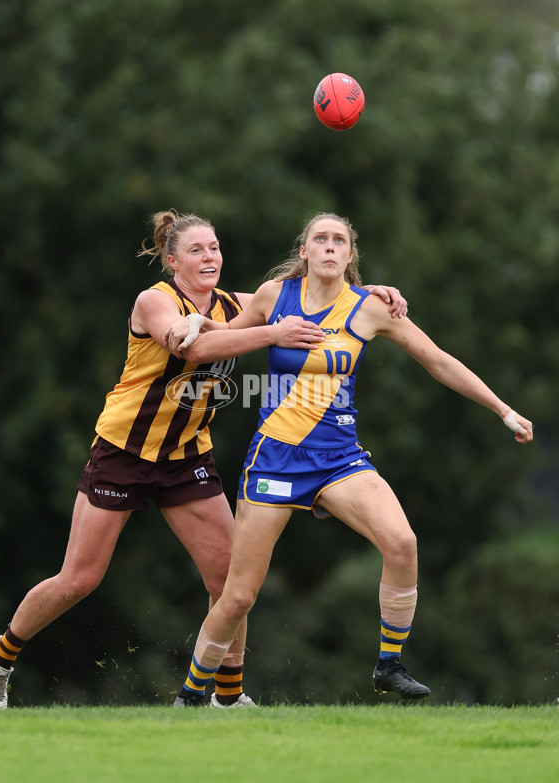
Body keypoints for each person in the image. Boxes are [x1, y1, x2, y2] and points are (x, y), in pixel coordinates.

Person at [0, 210, 407, 710]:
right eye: (198, 250)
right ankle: (0, 657)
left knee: (229, 583)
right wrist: (272, 335)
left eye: (215, 248)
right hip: (124, 452)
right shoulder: (154, 301)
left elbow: (310, 295)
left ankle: (228, 696)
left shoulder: (231, 302)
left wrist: (368, 289)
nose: (210, 257)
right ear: (173, 260)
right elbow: (195, 348)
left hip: (187, 458)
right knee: (80, 579)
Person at [168, 211, 534, 705]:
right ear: (305, 250)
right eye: (320, 238)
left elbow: (438, 360)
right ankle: (190, 698)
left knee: (402, 542)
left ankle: (389, 664)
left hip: (339, 459)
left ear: (350, 254)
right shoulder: (276, 295)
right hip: (274, 460)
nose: (329, 246)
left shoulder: (371, 308)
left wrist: (503, 409)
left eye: (339, 240)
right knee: (238, 597)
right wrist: (197, 321)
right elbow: (224, 336)